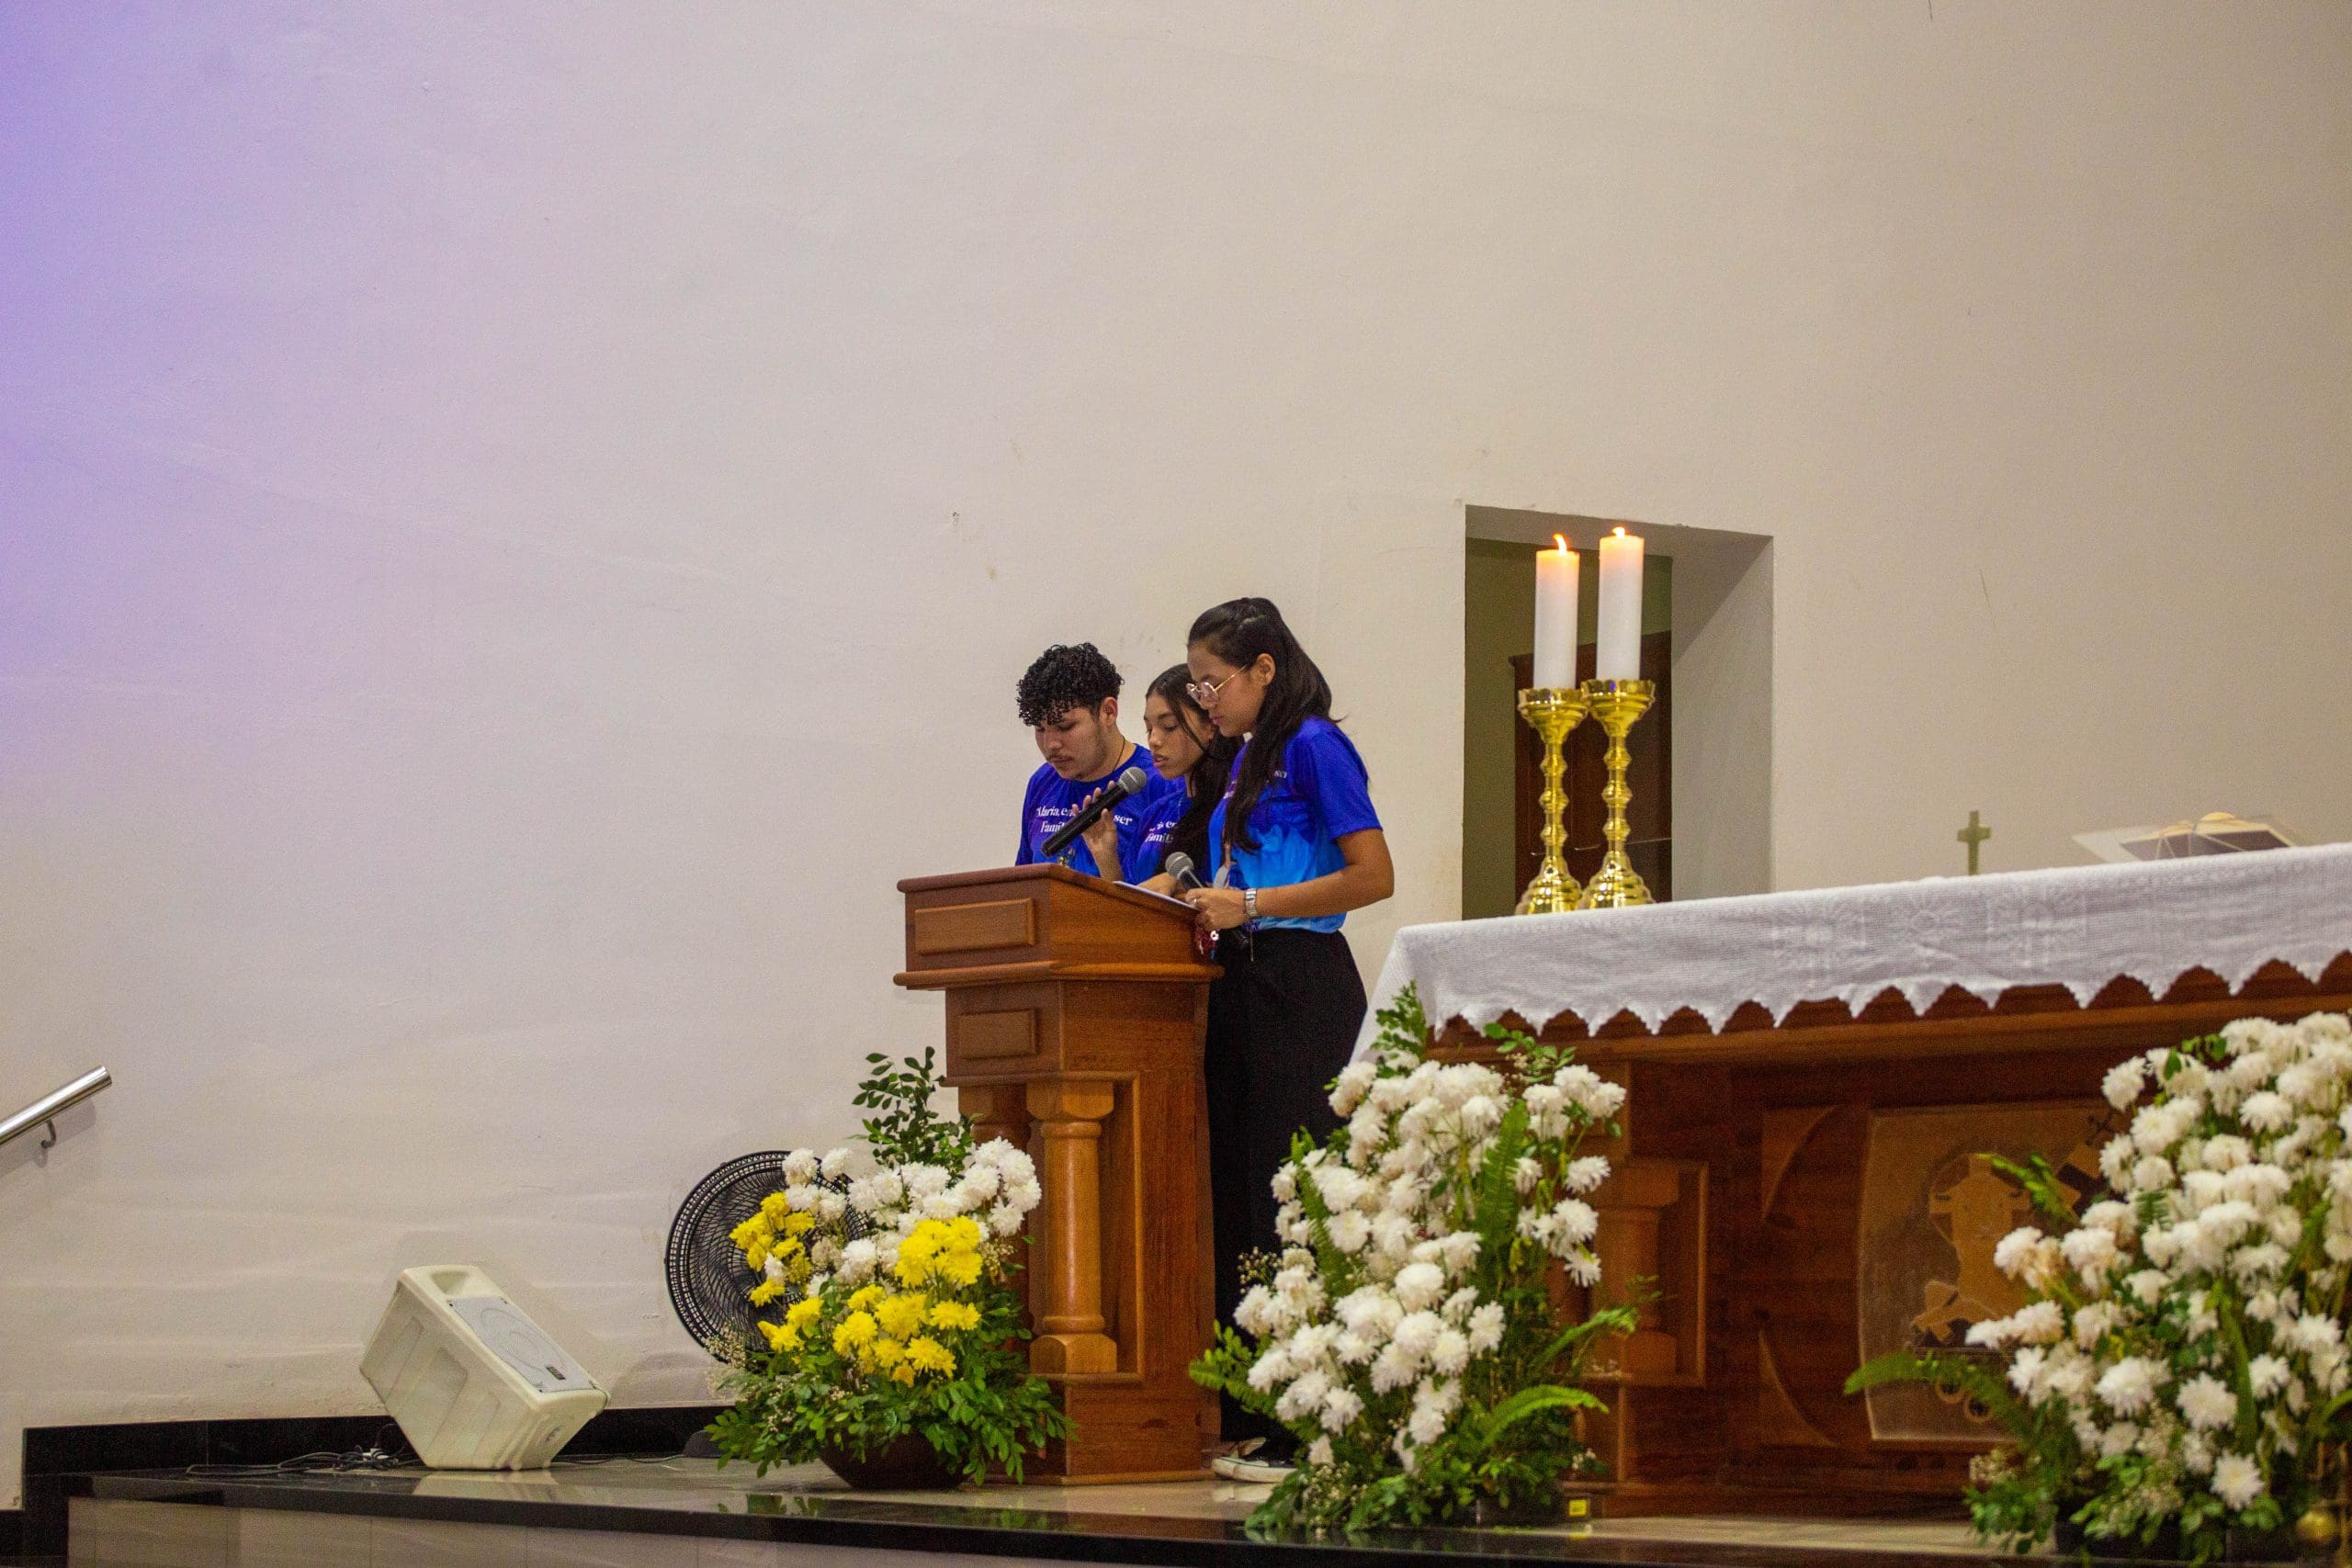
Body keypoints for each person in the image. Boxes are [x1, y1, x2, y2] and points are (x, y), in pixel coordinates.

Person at [1177, 598, 1393, 1477]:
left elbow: (1373, 874)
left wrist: (1253, 904)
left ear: (1264, 668)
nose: (1205, 700)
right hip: (1242, 981)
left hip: (1300, 983)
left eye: (1213, 682)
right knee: (1240, 1193)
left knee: (1290, 1192)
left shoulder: (1313, 744)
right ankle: (1256, 1405)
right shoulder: (1245, 757)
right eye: (1196, 686)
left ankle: (1309, 1418)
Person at [1013, 642, 1183, 883]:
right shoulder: (1042, 781)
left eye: (1065, 727)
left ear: (1108, 712)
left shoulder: (1162, 782)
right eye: (1040, 729)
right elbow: (1024, 882)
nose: (1050, 744)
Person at [1081, 664, 1238, 890]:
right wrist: (1106, 857)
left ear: (1211, 725)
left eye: (1169, 726)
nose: (1154, 740)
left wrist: (1181, 884)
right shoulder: (1157, 812)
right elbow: (1129, 903)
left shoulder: (1235, 807)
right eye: (1149, 728)